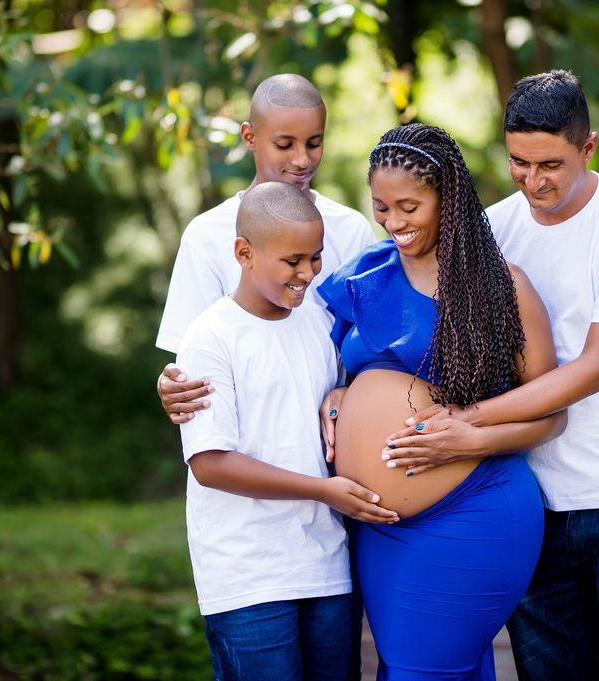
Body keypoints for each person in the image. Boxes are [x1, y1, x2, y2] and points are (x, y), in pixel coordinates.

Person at [386, 71, 599, 681]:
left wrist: (469, 422)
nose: (533, 181)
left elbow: (594, 367)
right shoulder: (492, 231)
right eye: (518, 163)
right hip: (529, 501)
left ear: (588, 148)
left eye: (550, 164)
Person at [318, 123, 566, 679]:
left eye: (409, 206)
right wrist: (338, 393)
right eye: (381, 207)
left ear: (446, 199)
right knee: (420, 666)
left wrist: (470, 437)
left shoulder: (499, 287)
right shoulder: (363, 277)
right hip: (376, 523)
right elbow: (339, 366)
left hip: (471, 508)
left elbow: (551, 412)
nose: (394, 222)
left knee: (419, 671)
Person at [176, 181, 398, 681]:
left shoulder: (317, 324)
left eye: (316, 258)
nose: (308, 274)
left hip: (325, 564)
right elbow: (210, 464)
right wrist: (324, 491)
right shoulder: (209, 339)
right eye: (292, 261)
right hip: (248, 573)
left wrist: (344, 395)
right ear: (244, 253)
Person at [156, 74, 376, 430]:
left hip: (337, 438)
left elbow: (372, 345)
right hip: (250, 436)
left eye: (314, 143)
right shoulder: (206, 235)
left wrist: (348, 393)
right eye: (285, 145)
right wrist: (170, 383)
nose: (303, 160)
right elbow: (191, 360)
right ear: (250, 138)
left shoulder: (351, 230)